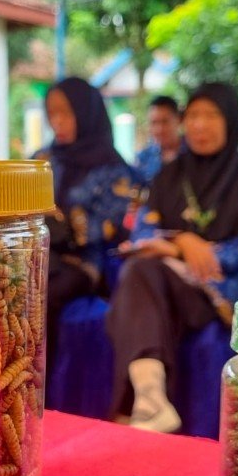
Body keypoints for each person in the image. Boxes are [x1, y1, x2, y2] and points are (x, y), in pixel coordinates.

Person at [107, 83, 238, 433]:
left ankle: (147, 398)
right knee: (143, 268)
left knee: (141, 272)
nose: (200, 125)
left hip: (216, 294)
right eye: (194, 115)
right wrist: (182, 242)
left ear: (230, 121)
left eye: (211, 115)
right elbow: (139, 234)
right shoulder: (168, 176)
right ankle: (151, 398)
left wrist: (177, 250)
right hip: (162, 283)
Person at [35, 77, 139, 361]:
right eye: (52, 113)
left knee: (39, 294)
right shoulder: (42, 159)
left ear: (85, 112)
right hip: (37, 255)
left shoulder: (112, 167)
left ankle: (35, 380)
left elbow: (107, 226)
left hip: (82, 264)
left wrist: (63, 227)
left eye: (66, 113)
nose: (58, 121)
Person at [136, 96, 182, 183]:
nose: (159, 129)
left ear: (178, 120)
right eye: (154, 123)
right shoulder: (143, 159)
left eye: (165, 122)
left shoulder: (194, 153)